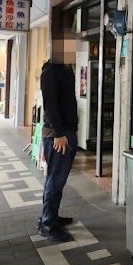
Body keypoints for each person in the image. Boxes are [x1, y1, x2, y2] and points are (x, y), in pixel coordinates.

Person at [38, 28, 78, 242]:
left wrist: (73, 128)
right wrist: (60, 134)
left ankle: (51, 215)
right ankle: (48, 223)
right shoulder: (51, 71)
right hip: (58, 134)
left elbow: (68, 104)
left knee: (57, 180)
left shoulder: (65, 69)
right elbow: (51, 106)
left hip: (67, 132)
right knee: (55, 179)